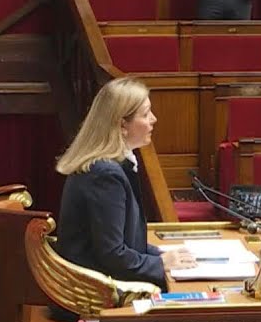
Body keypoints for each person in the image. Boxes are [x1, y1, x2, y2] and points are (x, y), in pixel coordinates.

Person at [54, 77, 195, 294]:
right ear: (122, 125)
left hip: (102, 281)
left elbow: (125, 245)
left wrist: (162, 255)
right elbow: (112, 254)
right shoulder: (104, 174)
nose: (154, 119)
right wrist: (160, 263)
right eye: (146, 114)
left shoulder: (111, 166)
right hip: (96, 292)